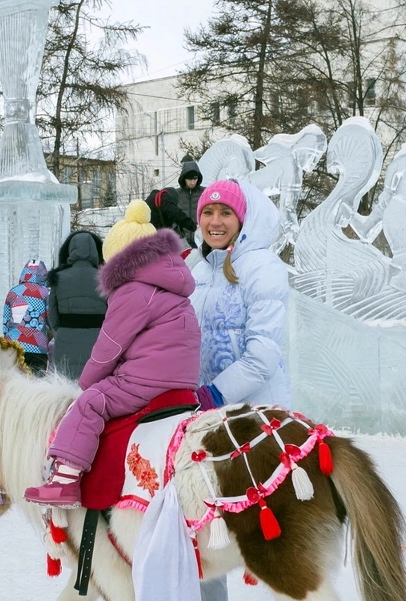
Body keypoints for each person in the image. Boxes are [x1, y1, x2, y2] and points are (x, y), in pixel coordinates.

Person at [24, 201, 201, 508]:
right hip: (182, 381)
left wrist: (86, 386)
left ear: (120, 259)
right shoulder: (171, 285)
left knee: (91, 403)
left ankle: (65, 479)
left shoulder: (133, 290)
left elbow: (109, 347)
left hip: (146, 381)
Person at [191, 179, 292, 410]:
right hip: (208, 412)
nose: (215, 221)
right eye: (208, 212)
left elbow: (263, 355)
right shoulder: (199, 270)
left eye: (225, 213)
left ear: (242, 219)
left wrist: (214, 395)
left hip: (257, 413)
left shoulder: (261, 266)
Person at [47, 231, 108, 381]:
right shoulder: (106, 278)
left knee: (65, 388)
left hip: (65, 340)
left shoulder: (58, 277)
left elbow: (53, 315)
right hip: (97, 340)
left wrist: (63, 330)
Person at [3, 259, 52, 374]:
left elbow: (5, 324)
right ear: (44, 275)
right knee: (35, 387)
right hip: (38, 349)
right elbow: (51, 321)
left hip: (13, 349)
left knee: (15, 387)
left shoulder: (13, 292)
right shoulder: (47, 293)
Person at [146, 156, 205, 247]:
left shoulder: (205, 193)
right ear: (183, 179)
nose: (193, 182)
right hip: (180, 240)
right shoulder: (174, 194)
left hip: (201, 238)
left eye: (195, 179)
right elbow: (171, 213)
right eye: (189, 179)